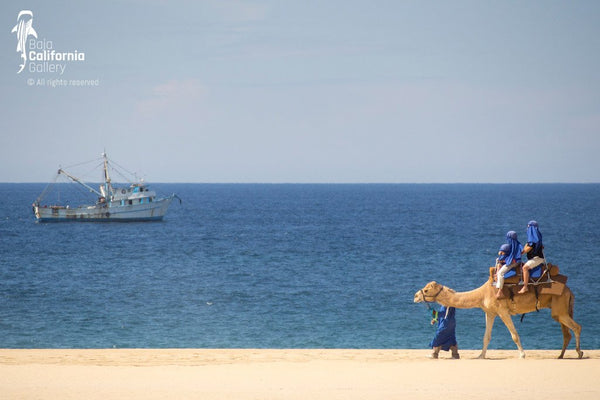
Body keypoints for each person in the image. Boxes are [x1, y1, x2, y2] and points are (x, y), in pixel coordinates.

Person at [518, 221, 545, 294]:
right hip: (535, 258)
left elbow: (525, 251)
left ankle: (525, 287)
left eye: (528, 227)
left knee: (525, 268)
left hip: (536, 259)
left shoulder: (532, 242)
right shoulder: (536, 238)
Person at [496, 231, 523, 299]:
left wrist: (506, 260)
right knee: (499, 264)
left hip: (513, 263)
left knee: (500, 273)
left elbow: (513, 258)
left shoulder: (513, 246)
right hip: (513, 261)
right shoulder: (517, 245)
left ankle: (500, 290)